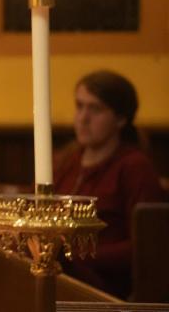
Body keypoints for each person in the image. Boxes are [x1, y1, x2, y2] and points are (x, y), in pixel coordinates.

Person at [54, 70, 166, 299]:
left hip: (105, 289)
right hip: (61, 276)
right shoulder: (66, 160)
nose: (83, 118)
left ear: (121, 119)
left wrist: (74, 255)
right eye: (79, 106)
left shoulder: (134, 167)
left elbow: (147, 247)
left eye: (95, 109)